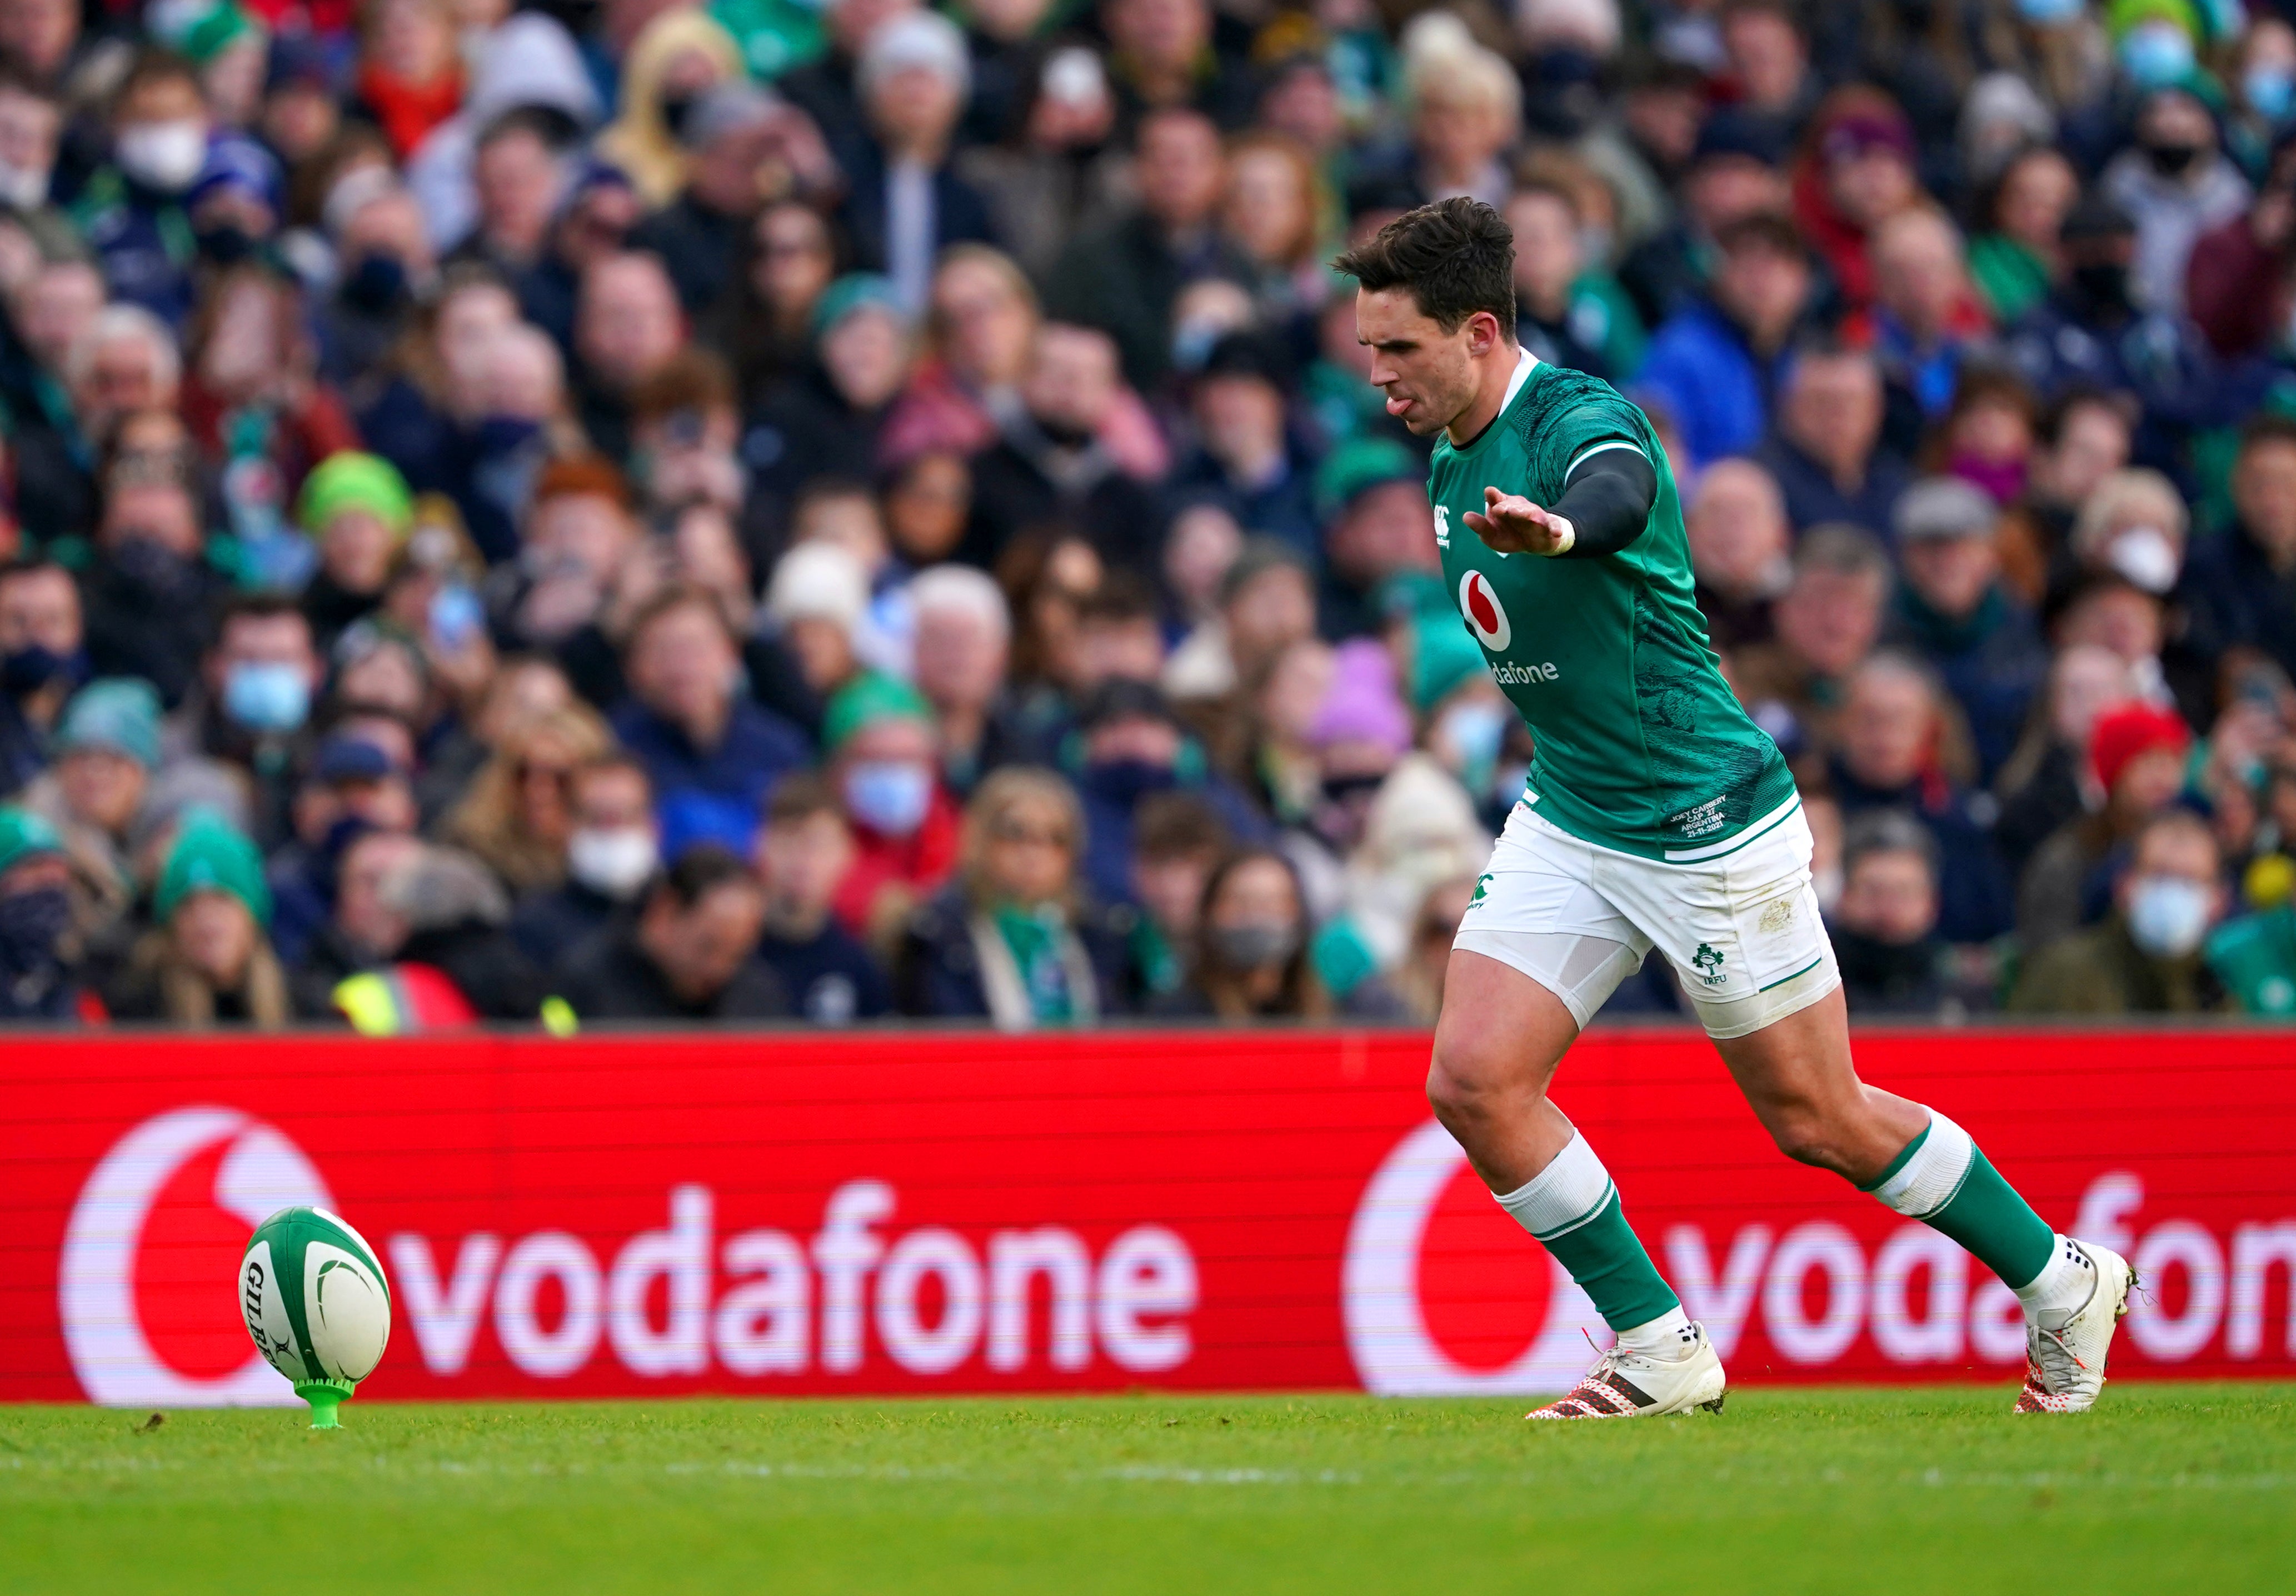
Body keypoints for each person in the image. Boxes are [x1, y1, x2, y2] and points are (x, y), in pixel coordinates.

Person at [1340, 196, 2132, 1419]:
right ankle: (1655, 1340)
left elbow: (1612, 485)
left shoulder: (1575, 418)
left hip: (1704, 818)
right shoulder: (1449, 446)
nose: (1376, 374)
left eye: (1397, 348)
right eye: (1366, 348)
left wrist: (1559, 528)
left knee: (1817, 1117)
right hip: (1574, 811)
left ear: (1480, 330)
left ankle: (2060, 1275)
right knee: (1473, 1079)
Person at [892, 764, 1126, 1025]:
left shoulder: (1102, 933)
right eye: (1016, 835)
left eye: (1055, 838)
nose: (1035, 853)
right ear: (980, 839)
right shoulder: (936, 936)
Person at [2012, 809, 2226, 1015]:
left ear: (2217, 900)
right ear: (2125, 885)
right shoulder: (2064, 973)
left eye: (2189, 881)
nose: (2173, 892)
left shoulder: (2224, 986)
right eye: (2160, 875)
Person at [555, 842, 787, 1020]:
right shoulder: (586, 984)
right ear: (665, 913)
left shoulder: (757, 996)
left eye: (737, 955)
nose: (719, 969)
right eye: (707, 947)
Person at [752, 772, 890, 1023]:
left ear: (848, 855)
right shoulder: (732, 954)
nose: (801, 861)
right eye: (787, 842)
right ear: (760, 846)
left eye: (817, 845)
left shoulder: (858, 965)